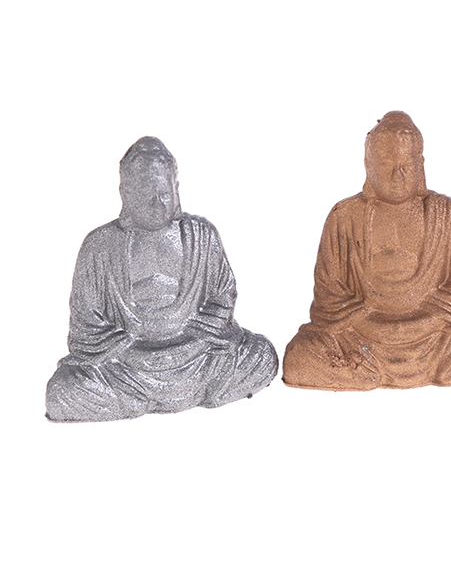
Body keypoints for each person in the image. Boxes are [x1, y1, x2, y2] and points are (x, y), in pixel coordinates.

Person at [46, 137, 278, 421]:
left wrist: (192, 345)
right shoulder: (100, 246)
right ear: (125, 192)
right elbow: (86, 325)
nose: (157, 203)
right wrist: (130, 352)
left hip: (198, 358)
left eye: (164, 192)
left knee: (262, 356)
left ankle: (158, 397)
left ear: (176, 188)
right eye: (146, 192)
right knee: (62, 391)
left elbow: (223, 297)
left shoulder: (201, 236)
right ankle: (157, 396)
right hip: (126, 369)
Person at [283, 111, 451, 390]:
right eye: (386, 165)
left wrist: (423, 323)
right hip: (361, 337)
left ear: (421, 165)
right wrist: (371, 324)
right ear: (368, 165)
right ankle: (366, 370)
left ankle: (371, 373)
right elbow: (329, 293)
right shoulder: (344, 217)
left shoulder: (445, 213)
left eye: (406, 165)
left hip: (436, 336)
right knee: (300, 357)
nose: (397, 176)